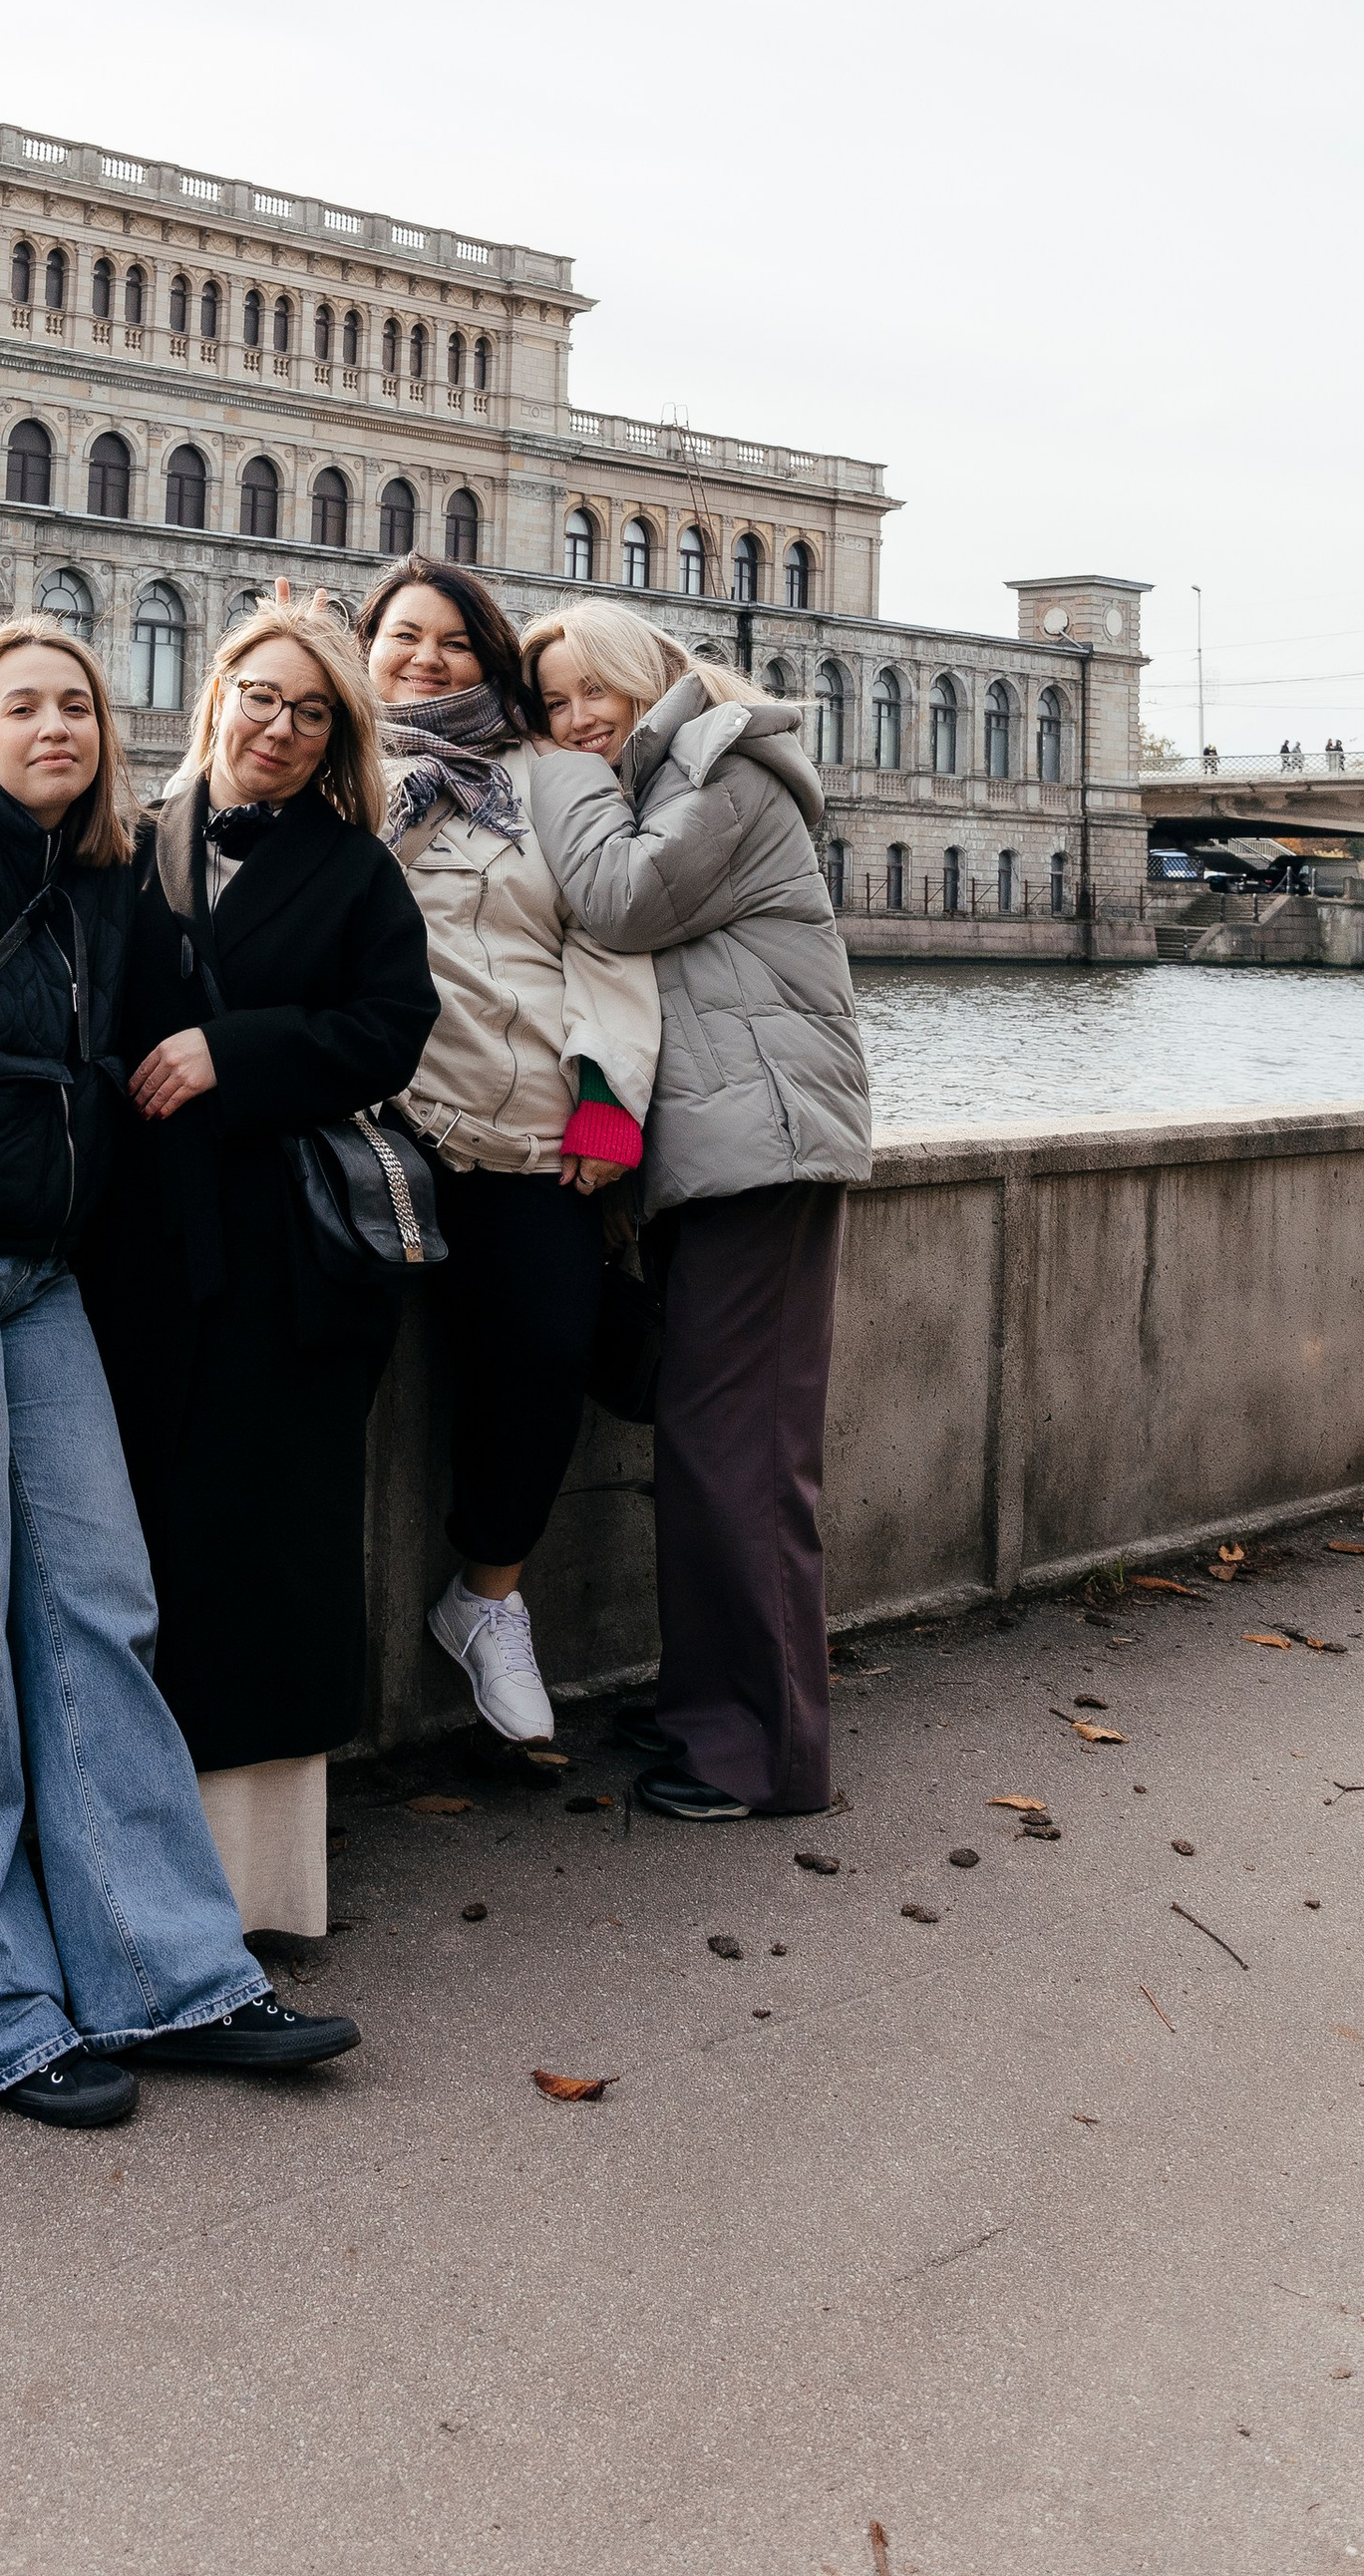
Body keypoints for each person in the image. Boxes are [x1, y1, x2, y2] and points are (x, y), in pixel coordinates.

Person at [0, 620, 360, 2130]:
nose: (57, 727)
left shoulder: (95, 878)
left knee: (105, 1607)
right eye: (22, 705)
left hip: (33, 1280)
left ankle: (165, 1973)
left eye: (80, 706)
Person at [89, 603, 438, 1946]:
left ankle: (260, 1894)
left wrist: (238, 1052)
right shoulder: (125, 845)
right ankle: (129, 1867)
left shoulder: (358, 874)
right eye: (263, 698)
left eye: (312, 714)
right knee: (141, 1559)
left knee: (271, 1564)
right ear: (215, 692)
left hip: (288, 1272)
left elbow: (391, 1032)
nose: (281, 730)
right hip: (134, 1261)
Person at [521, 596, 872, 1824]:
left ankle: (763, 1752)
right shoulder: (666, 778)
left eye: (588, 694)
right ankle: (713, 1702)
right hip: (722, 1151)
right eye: (550, 703)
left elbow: (618, 901)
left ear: (644, 679)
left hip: (763, 1153)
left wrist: (550, 775)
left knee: (741, 1462)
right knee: (712, 1449)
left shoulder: (721, 773)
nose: (572, 720)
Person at [352, 557, 662, 1749]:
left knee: (543, 1349)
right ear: (365, 645)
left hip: (533, 1123)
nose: (426, 661)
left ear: (492, 664)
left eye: (455, 645)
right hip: (391, 1126)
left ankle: (486, 1603)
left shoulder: (551, 781)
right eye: (402, 638)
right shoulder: (332, 763)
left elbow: (608, 944)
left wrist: (604, 1099)